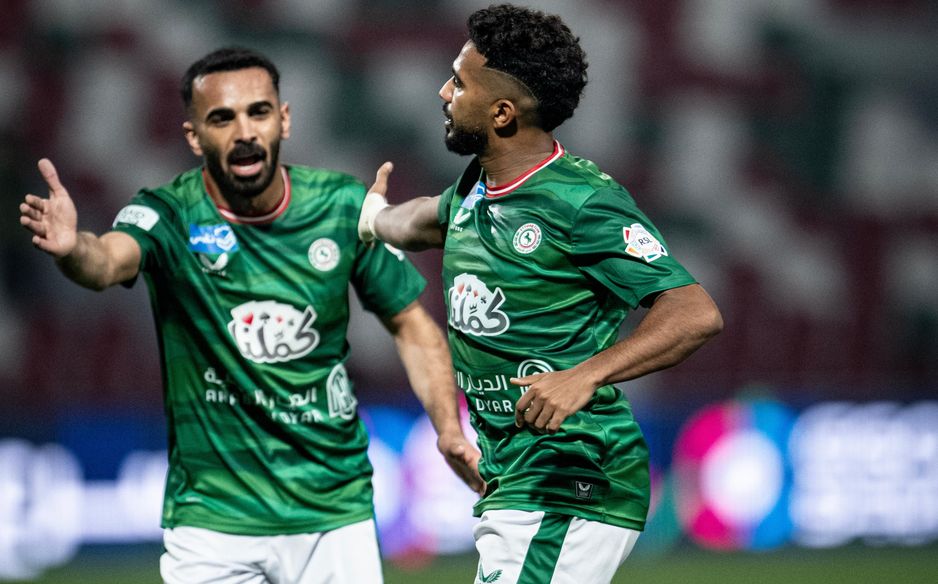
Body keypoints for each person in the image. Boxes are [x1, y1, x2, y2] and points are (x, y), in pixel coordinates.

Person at [19, 47, 482, 584]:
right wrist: (75, 247)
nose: (244, 131)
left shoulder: (338, 206)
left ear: (283, 118)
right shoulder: (167, 214)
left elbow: (411, 323)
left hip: (332, 512)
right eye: (222, 118)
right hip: (213, 522)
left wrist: (448, 430)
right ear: (193, 135)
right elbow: (105, 262)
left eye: (258, 112)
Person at [358, 4, 723, 583]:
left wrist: (585, 375)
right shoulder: (477, 190)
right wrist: (373, 218)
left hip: (570, 477)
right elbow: (426, 220)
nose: (442, 91)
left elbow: (694, 312)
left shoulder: (581, 201)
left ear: (502, 112)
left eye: (459, 81)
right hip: (519, 474)